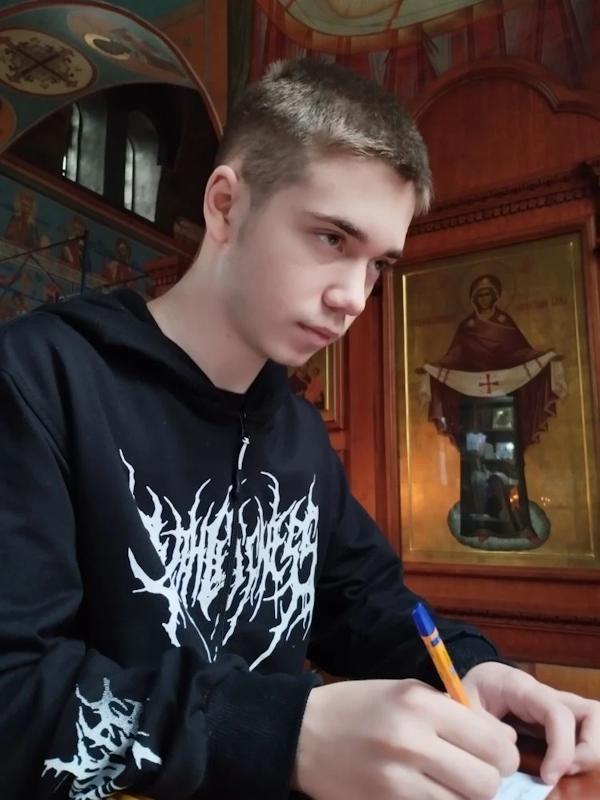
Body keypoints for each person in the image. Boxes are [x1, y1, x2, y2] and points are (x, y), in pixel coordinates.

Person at [0, 58, 597, 800]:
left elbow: (367, 603)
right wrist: (281, 733)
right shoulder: (40, 377)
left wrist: (479, 669)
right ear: (226, 206)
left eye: (378, 264)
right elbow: (14, 692)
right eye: (331, 239)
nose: (355, 297)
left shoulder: (298, 433)